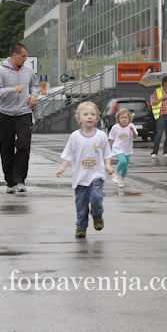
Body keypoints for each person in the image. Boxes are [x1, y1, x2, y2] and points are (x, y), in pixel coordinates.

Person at [56, 102, 113, 239]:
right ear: (79, 118)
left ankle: (97, 215)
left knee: (96, 197)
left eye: (93, 114)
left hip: (96, 175)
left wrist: (108, 166)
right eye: (86, 114)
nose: (89, 117)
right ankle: (81, 227)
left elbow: (107, 153)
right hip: (80, 178)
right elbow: (69, 154)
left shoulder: (101, 136)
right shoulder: (75, 136)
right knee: (81, 205)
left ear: (97, 117)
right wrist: (62, 167)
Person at [0, 42, 38, 193]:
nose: (25, 58)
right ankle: (10, 181)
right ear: (14, 55)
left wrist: (34, 95)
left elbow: (34, 85)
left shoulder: (28, 71)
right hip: (6, 114)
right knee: (7, 149)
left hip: (24, 113)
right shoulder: (0, 71)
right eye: (23, 56)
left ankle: (20, 180)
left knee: (23, 145)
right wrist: (11, 90)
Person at [108, 108, 138, 189]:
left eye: (126, 117)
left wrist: (132, 130)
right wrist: (109, 149)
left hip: (127, 149)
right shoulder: (115, 127)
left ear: (129, 118)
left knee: (125, 166)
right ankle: (116, 173)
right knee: (123, 161)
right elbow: (111, 138)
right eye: (122, 118)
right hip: (117, 148)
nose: (124, 119)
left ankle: (121, 180)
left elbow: (135, 136)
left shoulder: (131, 126)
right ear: (118, 119)